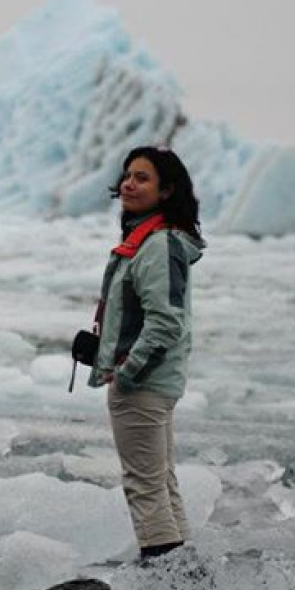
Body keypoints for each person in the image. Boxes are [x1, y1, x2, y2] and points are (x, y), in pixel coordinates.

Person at [88, 146, 205, 560]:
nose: (129, 184)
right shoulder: (150, 241)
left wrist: (129, 372)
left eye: (142, 178)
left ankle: (165, 581)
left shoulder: (157, 244)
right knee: (160, 482)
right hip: (151, 381)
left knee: (145, 486)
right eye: (127, 176)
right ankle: (185, 578)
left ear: (166, 190)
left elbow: (166, 320)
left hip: (143, 384)